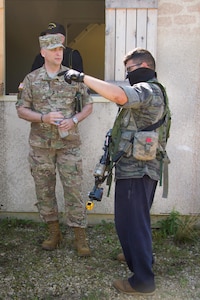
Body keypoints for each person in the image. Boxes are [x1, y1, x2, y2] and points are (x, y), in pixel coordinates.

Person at [61, 48, 170, 295]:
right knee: (133, 221)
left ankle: (143, 280)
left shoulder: (148, 89)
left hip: (137, 170)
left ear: (144, 66)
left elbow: (120, 96)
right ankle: (136, 255)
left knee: (132, 223)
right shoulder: (152, 90)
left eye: (130, 70)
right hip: (137, 169)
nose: (128, 75)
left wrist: (81, 77)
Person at [16, 34, 93, 257]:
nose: (58, 53)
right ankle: (54, 233)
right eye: (53, 49)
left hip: (69, 144)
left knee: (74, 190)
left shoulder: (73, 78)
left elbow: (88, 106)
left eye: (60, 48)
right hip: (41, 147)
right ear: (43, 53)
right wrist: (43, 118)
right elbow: (21, 109)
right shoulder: (31, 79)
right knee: (44, 190)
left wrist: (75, 120)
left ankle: (80, 236)